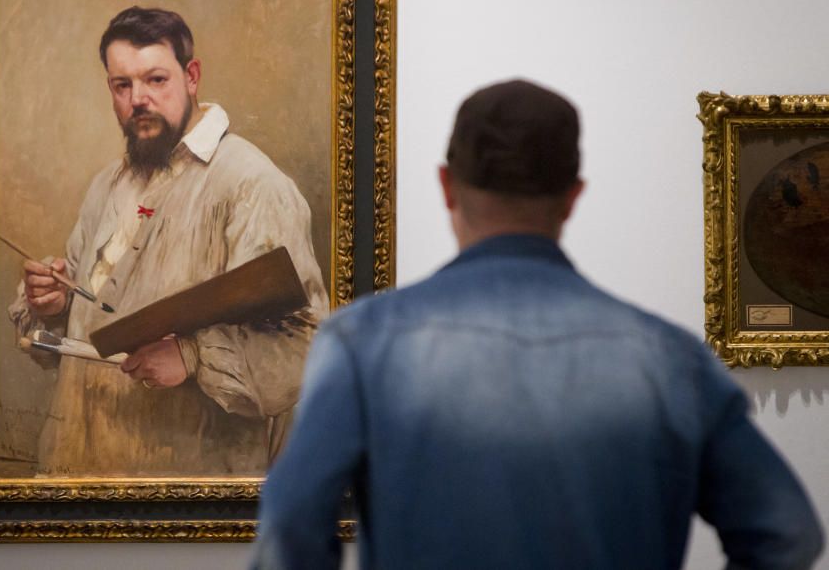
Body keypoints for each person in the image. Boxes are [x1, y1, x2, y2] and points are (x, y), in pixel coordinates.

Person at [253, 79, 823, 569]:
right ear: (573, 197)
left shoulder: (363, 344)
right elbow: (786, 533)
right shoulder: (670, 359)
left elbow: (289, 530)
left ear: (447, 185)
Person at [9, 6, 329, 477]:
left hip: (187, 494)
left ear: (192, 76)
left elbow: (305, 342)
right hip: (79, 479)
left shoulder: (251, 184)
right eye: (123, 85)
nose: (139, 98)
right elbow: (80, 320)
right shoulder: (107, 185)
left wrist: (192, 356)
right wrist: (55, 303)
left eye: (156, 80)